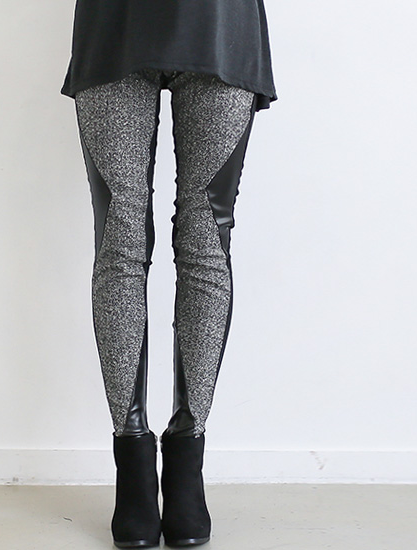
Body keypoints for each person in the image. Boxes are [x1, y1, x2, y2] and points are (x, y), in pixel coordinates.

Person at [60, 1, 278, 547]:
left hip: (221, 23)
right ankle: (132, 456)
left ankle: (187, 453)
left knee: (205, 244)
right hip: (114, 23)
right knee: (120, 241)